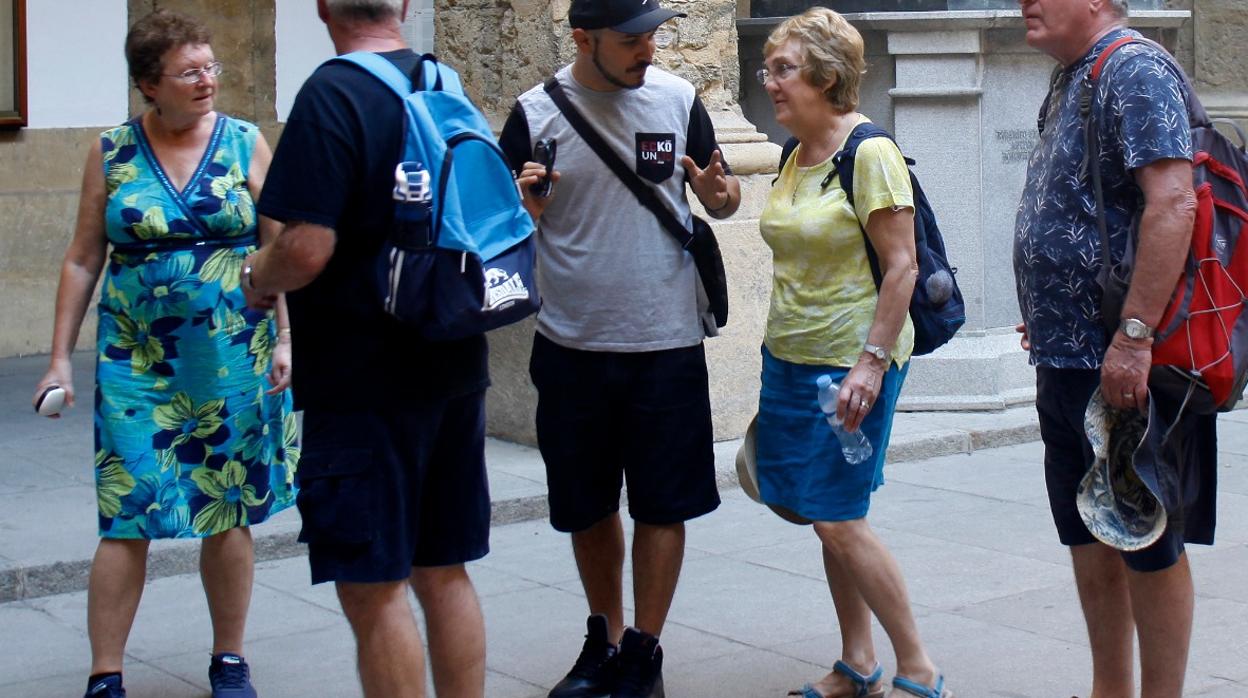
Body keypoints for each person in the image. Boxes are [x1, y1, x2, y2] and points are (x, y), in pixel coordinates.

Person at [30, 10, 298, 698]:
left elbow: (279, 246)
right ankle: (105, 672)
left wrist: (287, 340)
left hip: (234, 352)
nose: (208, 80)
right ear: (152, 84)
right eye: (190, 72)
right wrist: (59, 357)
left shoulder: (243, 142)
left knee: (228, 506)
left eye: (211, 67)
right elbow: (84, 258)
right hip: (136, 359)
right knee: (128, 509)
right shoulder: (112, 151)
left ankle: (229, 659)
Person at [239, 1, 491, 697]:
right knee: (445, 569)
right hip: (452, 356)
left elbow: (307, 246)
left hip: (361, 380)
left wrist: (257, 275)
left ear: (323, 7)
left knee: (374, 585)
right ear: (404, 6)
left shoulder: (331, 93)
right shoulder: (446, 83)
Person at [499, 0, 740, 695]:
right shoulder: (533, 113)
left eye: (654, 35)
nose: (649, 51)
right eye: (631, 39)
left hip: (665, 341)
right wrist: (526, 213)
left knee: (663, 504)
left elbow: (715, 197)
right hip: (571, 342)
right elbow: (498, 224)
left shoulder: (678, 99)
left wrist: (721, 197)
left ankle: (645, 649)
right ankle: (603, 639)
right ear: (583, 38)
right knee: (588, 504)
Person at [1013, 1, 1214, 696]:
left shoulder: (1133, 67)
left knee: (1146, 533)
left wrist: (1134, 336)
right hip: (1068, 356)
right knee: (1088, 529)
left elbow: (1173, 203)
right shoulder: (1077, 74)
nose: (1024, 3)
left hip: (1123, 362)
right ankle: (1111, 690)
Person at [752, 8, 951, 698]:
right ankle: (858, 661)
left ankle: (918, 665)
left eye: (783, 69)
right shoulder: (793, 151)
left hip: (849, 365)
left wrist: (868, 363)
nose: (769, 81)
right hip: (790, 356)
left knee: (837, 515)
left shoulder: (868, 153)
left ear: (825, 76)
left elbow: (901, 266)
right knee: (823, 513)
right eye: (769, 68)